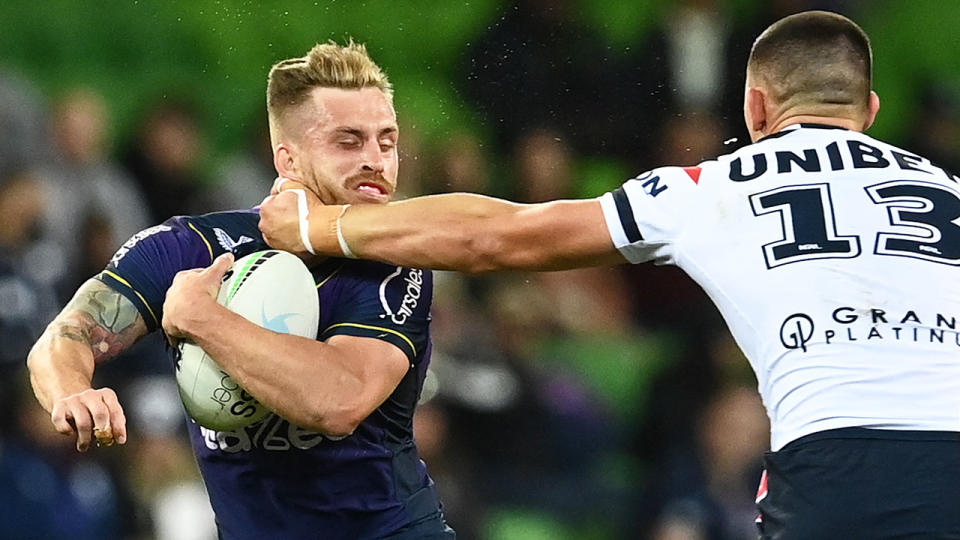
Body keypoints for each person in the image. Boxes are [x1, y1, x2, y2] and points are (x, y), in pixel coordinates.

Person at [259, 12, 960, 538]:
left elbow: (499, 238)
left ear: (753, 108)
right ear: (869, 111)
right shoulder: (948, 190)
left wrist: (322, 227)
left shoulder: (714, 186)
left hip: (835, 469)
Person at [27, 41, 455, 540]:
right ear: (287, 158)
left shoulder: (393, 261)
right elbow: (66, 335)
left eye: (387, 141)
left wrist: (204, 321)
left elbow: (339, 401)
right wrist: (73, 391)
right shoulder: (191, 247)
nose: (376, 161)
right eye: (348, 141)